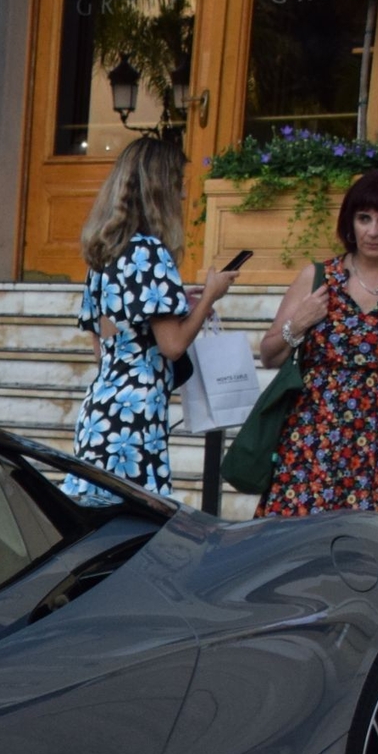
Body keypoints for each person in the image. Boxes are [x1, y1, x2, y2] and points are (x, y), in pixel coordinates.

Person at [253, 168, 378, 524]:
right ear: (351, 222)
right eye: (364, 218)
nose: (373, 231)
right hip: (311, 436)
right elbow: (269, 355)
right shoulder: (317, 277)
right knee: (297, 547)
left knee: (369, 550)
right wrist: (298, 323)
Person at [67, 136, 237, 501]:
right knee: (135, 531)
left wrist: (178, 305)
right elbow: (172, 345)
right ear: (160, 189)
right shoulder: (149, 251)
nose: (181, 196)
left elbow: (103, 348)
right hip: (137, 416)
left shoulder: (105, 255)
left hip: (101, 409)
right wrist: (209, 295)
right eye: (177, 185)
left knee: (99, 528)